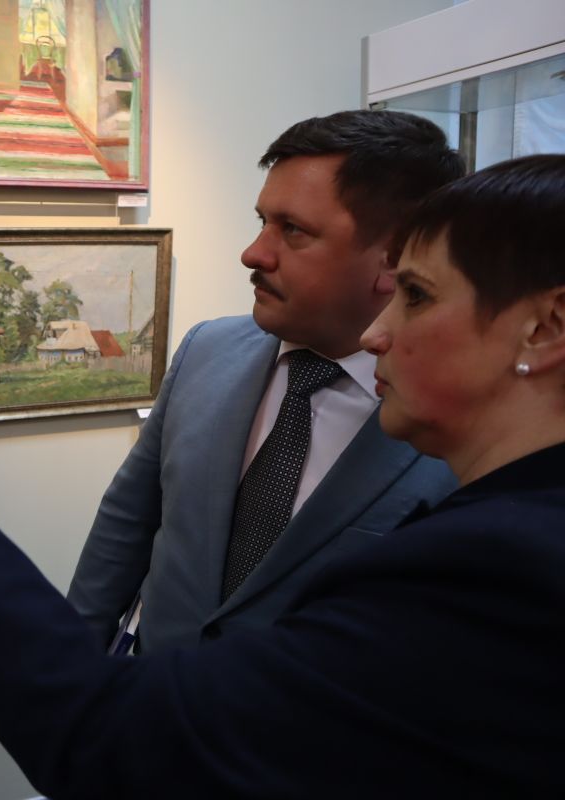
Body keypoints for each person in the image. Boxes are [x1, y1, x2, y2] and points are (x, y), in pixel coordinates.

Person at [0, 154, 565, 798]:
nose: (380, 331)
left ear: (545, 328)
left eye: (417, 294)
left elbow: (113, 735)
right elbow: (127, 524)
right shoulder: (209, 352)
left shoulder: (499, 566)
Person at [69, 110, 465, 651]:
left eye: (293, 230)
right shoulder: (206, 351)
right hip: (153, 689)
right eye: (262, 222)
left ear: (393, 260)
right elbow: (127, 524)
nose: (253, 253)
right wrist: (71, 670)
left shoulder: (453, 431)